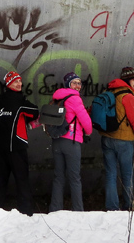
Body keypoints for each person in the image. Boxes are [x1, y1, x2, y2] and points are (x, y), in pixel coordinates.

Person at [0, 70, 40, 216]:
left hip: (1, 148)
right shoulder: (19, 101)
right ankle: (26, 212)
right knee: (22, 181)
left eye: (19, 81)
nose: (19, 84)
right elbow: (34, 112)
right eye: (16, 81)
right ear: (9, 84)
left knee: (0, 181)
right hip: (17, 147)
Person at [100, 66, 134, 211]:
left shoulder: (109, 91)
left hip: (107, 138)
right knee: (126, 175)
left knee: (111, 174)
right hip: (124, 141)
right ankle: (128, 205)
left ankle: (112, 208)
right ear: (127, 80)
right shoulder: (128, 96)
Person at [48, 72, 92, 212]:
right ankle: (78, 210)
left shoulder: (57, 97)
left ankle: (55, 209)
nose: (78, 86)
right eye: (74, 83)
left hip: (56, 140)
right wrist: (88, 132)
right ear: (68, 84)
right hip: (71, 142)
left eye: (79, 83)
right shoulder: (75, 99)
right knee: (74, 178)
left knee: (58, 176)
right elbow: (85, 120)